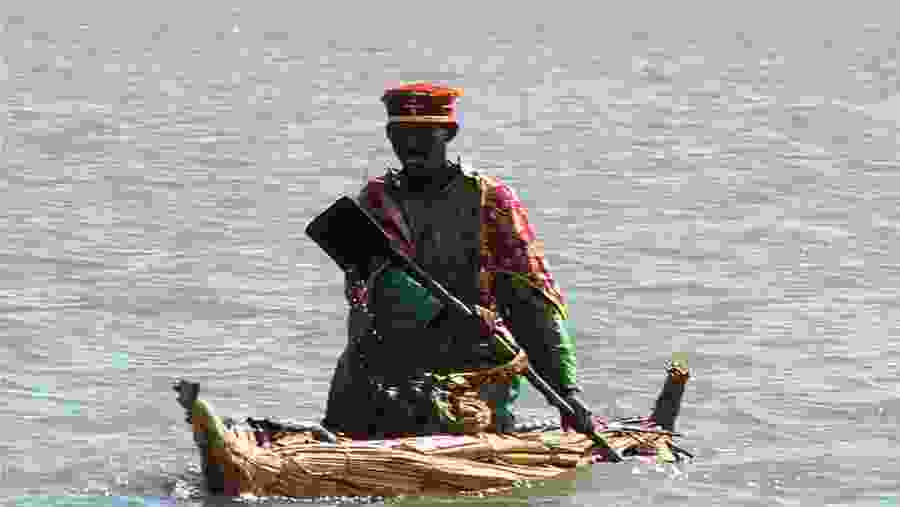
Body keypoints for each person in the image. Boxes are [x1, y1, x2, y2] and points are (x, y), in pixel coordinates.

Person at [321, 82, 592, 438]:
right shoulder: (374, 201)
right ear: (389, 135)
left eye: (424, 135)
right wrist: (440, 316)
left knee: (465, 410)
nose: (411, 146)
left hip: (471, 368)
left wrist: (566, 391)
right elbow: (370, 289)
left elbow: (532, 299)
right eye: (401, 135)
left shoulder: (490, 200)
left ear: (449, 133)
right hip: (386, 368)